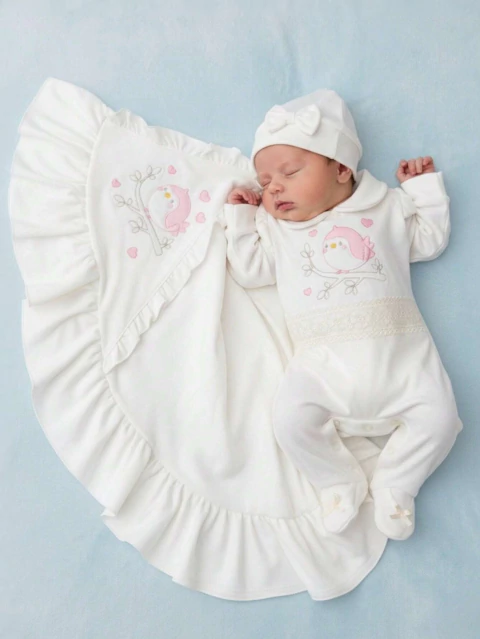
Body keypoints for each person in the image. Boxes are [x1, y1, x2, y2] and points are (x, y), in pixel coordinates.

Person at [224, 89, 462, 540]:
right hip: (320, 369)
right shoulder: (279, 231)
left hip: (404, 361)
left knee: (441, 421)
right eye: (265, 181)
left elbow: (429, 240)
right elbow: (251, 271)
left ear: (340, 169)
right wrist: (240, 219)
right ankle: (337, 481)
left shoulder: (385, 206)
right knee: (290, 421)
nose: (274, 187)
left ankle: (397, 483)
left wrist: (422, 190)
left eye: (289, 172)